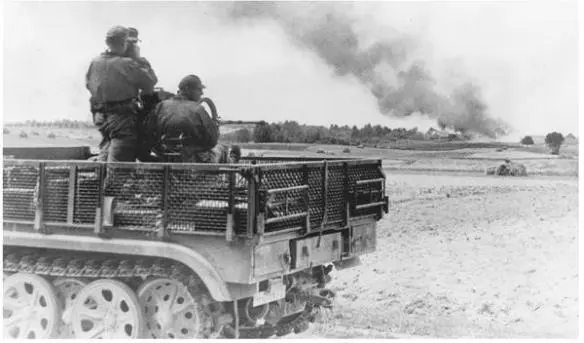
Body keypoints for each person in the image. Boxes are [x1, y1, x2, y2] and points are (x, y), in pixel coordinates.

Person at [86, 25, 158, 162]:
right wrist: (138, 59)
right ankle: (111, 183)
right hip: (121, 120)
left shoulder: (95, 62)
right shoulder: (128, 64)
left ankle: (95, 181)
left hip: (101, 117)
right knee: (120, 163)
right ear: (123, 43)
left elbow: (89, 85)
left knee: (106, 151)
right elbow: (150, 81)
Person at [144, 75, 238, 163]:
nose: (201, 93)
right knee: (222, 149)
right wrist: (215, 128)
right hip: (192, 161)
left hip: (164, 158)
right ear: (187, 89)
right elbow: (212, 141)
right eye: (199, 89)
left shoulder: (161, 106)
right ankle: (233, 161)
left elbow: (147, 132)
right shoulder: (198, 109)